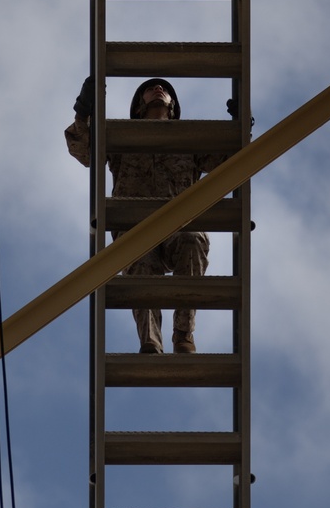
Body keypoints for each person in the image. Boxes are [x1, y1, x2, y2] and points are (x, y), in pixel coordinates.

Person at [65, 77, 224, 354]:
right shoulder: (123, 136)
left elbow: (226, 161)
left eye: (164, 89)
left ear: (172, 106)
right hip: (134, 225)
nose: (158, 89)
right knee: (138, 266)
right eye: (151, 89)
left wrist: (239, 128)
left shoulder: (189, 140)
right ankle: (150, 340)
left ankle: (183, 334)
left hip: (178, 223)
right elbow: (84, 151)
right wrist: (83, 111)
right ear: (140, 106)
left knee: (193, 239)